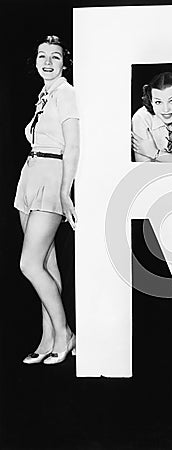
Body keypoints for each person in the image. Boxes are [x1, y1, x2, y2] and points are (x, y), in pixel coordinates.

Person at [14, 35, 80, 365]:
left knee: (29, 264)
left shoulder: (65, 93)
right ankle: (48, 337)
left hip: (51, 177)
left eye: (55, 56)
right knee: (46, 264)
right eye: (42, 55)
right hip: (32, 174)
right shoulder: (46, 94)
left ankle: (65, 333)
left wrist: (66, 190)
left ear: (64, 62)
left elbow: (73, 144)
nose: (48, 61)